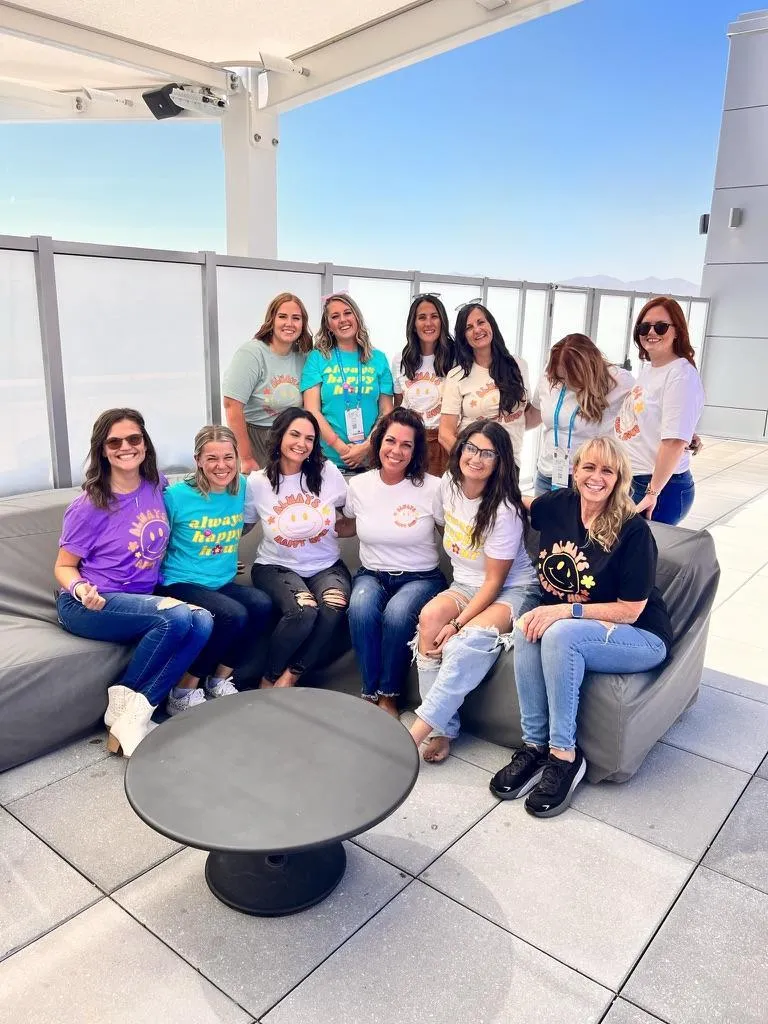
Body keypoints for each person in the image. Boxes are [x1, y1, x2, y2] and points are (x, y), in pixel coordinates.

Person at [490, 436, 673, 817]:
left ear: (619, 478)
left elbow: (630, 611)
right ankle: (535, 747)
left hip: (639, 636)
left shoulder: (633, 530)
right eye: (588, 467)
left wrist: (564, 612)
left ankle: (564, 755)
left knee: (556, 630)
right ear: (574, 471)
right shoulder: (559, 507)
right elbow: (519, 503)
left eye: (607, 470)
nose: (596, 477)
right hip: (583, 628)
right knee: (527, 625)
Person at [54, 408, 213, 757]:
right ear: (102, 450)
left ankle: (131, 713)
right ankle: (128, 707)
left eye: (134, 439)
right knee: (175, 616)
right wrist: (81, 590)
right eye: (115, 442)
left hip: (139, 599)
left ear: (145, 443)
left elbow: (193, 511)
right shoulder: (89, 505)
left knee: (202, 619)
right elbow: (64, 566)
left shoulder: (157, 483)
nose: (126, 447)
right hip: (89, 604)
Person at [408, 419, 538, 762]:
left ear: (500, 462)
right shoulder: (449, 484)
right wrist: (448, 619)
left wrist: (460, 623)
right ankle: (443, 729)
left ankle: (417, 732)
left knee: (466, 640)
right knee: (430, 618)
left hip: (513, 589)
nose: (476, 458)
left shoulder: (504, 510)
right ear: (460, 448)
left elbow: (495, 582)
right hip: (464, 583)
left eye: (488, 453)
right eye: (471, 448)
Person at [155, 425, 272, 713]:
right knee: (232, 614)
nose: (222, 466)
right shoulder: (175, 497)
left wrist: (223, 552)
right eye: (212, 459)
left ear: (237, 457)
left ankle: (218, 681)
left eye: (228, 457)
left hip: (220, 580)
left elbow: (244, 523)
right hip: (179, 580)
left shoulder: (243, 488)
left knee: (262, 605)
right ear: (198, 461)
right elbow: (155, 540)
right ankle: (182, 691)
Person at [343, 408, 446, 717]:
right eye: (390, 441)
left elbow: (451, 532)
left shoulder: (433, 487)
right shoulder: (359, 485)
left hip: (421, 577)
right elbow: (346, 524)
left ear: (416, 451)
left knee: (398, 613)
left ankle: (389, 694)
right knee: (360, 607)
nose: (397, 450)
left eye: (406, 445)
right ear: (378, 443)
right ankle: (368, 692)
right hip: (371, 574)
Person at [245, 407, 351, 688]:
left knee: (333, 605)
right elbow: (239, 526)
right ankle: (267, 680)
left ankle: (291, 676)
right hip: (275, 566)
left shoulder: (327, 472)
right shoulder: (257, 482)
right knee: (304, 611)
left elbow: (353, 510)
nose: (302, 444)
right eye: (295, 435)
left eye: (309, 438)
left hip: (326, 565)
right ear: (279, 436)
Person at [614, 296, 705, 525]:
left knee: (642, 557)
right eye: (644, 327)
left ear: (678, 331)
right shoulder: (651, 369)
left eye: (661, 326)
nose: (651, 332)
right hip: (634, 479)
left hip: (658, 488)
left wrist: (652, 492)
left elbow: (673, 442)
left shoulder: (680, 375)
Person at [529, 333, 634, 495]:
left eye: (570, 377)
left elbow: (647, 416)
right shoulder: (549, 376)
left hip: (590, 480)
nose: (565, 382)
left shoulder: (618, 381)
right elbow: (532, 416)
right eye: (560, 377)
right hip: (548, 475)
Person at [301, 293, 394, 473]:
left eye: (347, 313)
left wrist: (366, 446)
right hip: (327, 462)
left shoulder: (378, 359)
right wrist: (342, 448)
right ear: (328, 325)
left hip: (371, 460)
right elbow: (312, 410)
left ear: (357, 317)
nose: (343, 320)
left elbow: (386, 411)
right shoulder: (318, 358)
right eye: (335, 316)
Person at [222, 292, 313, 473]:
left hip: (291, 437)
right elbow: (232, 405)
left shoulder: (304, 356)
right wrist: (246, 458)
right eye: (282, 317)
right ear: (271, 320)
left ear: (303, 324)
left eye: (296, 318)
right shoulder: (252, 353)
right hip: (255, 437)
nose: (289, 323)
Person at [439, 302, 533, 467]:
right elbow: (445, 433)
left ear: (491, 325)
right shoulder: (457, 376)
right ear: (464, 337)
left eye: (481, 322)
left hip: (510, 464)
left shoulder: (518, 365)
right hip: (475, 467)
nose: (477, 329)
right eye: (469, 327)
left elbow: (526, 414)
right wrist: (469, 461)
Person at [392, 293, 455, 476]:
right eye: (422, 317)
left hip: (445, 443)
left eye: (434, 316)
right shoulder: (400, 360)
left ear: (442, 321)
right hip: (412, 442)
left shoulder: (456, 357)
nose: (428, 323)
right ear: (413, 324)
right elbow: (399, 405)